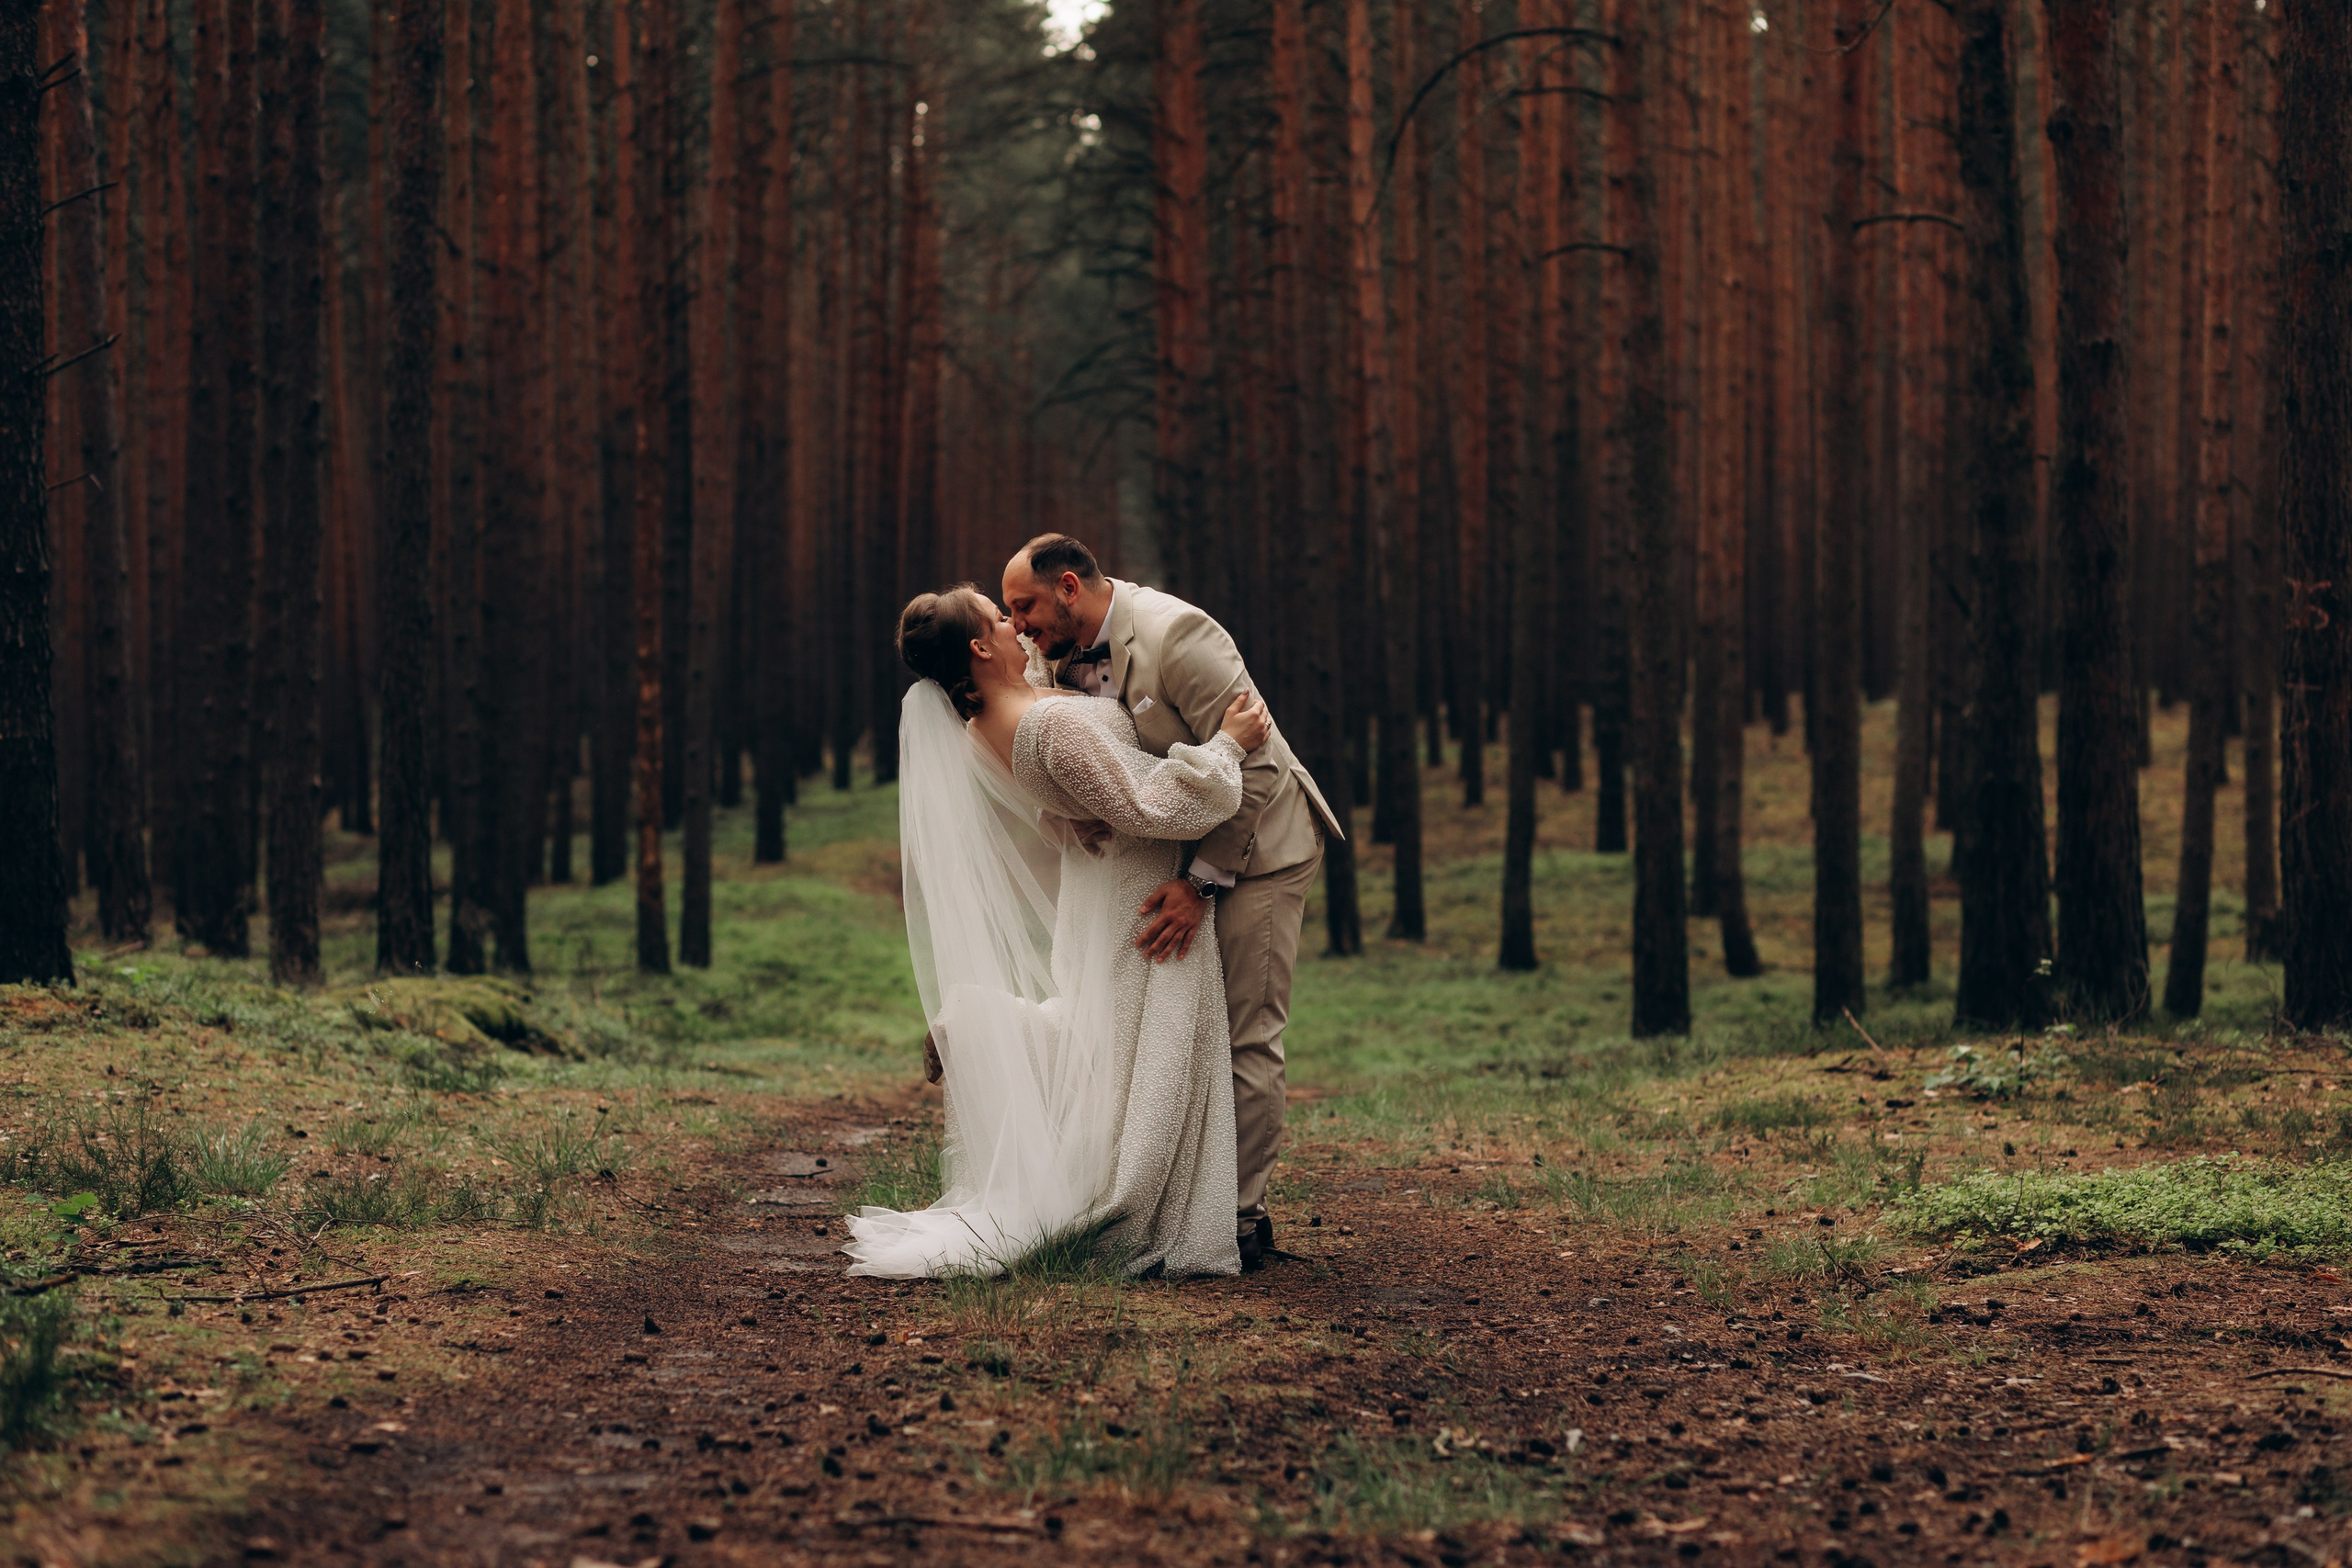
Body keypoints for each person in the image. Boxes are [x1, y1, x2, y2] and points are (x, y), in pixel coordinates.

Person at [843, 585, 1271, 1280]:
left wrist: (1067, 816)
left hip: (1094, 887)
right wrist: (1229, 745)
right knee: (1142, 1054)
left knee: (1111, 1045)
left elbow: (1050, 798)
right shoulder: (1049, 725)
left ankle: (989, 1026)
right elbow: (1155, 803)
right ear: (980, 646)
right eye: (998, 618)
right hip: (1138, 894)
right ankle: (999, 1036)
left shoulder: (982, 723)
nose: (1016, 627)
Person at [1001, 535, 1340, 1271]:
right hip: (1179, 849)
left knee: (1244, 1029)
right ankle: (1182, 1201)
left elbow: (1257, 762)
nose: (1017, 625)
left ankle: (1240, 1219)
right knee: (1184, 1033)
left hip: (1259, 851)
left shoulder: (1177, 634)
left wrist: (1202, 883)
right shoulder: (1056, 651)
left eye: (1023, 607)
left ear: (1067, 587)